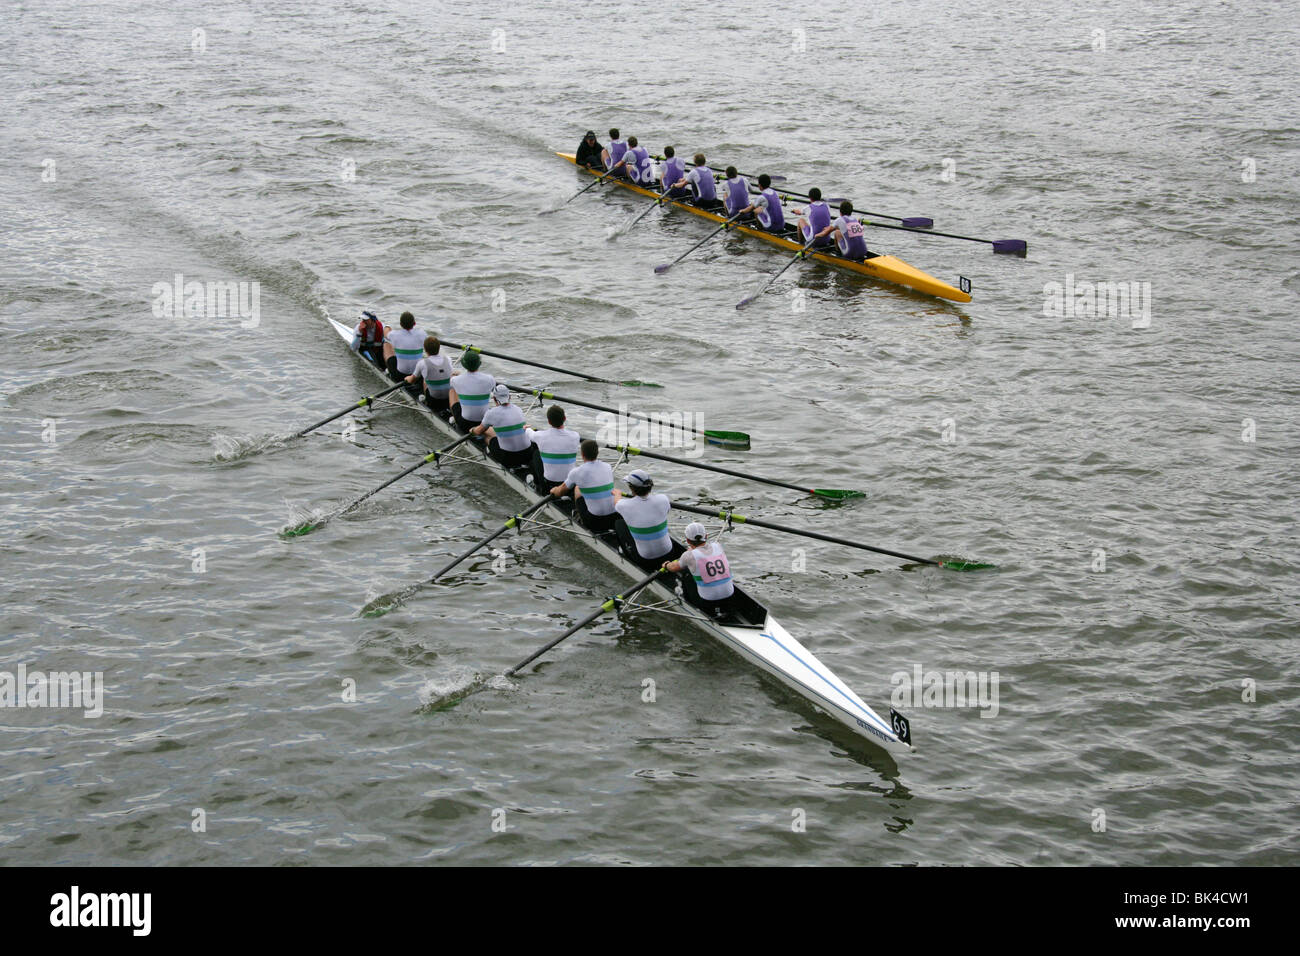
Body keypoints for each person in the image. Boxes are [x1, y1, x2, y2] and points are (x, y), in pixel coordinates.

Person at [664, 522, 735, 618]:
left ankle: (687, 602)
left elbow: (673, 568)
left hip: (707, 603)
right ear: (706, 536)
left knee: (686, 571)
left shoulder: (688, 556)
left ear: (688, 541)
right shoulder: (717, 546)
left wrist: (666, 565)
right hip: (729, 598)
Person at [550, 439, 617, 534]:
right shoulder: (608, 466)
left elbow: (560, 492)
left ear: (582, 454)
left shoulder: (576, 472)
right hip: (613, 518)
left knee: (577, 488)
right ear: (597, 453)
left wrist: (553, 491)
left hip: (594, 522)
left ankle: (579, 516)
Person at [612, 469, 673, 570]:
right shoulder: (663, 499)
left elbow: (616, 503)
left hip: (645, 559)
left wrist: (617, 494)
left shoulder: (624, 505)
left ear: (631, 488)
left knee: (619, 523)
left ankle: (624, 553)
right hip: (669, 554)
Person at [473, 384, 532, 467]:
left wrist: (472, 430)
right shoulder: (518, 409)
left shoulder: (491, 413)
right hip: (528, 454)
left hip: (508, 458)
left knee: (487, 436)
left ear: (494, 399)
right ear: (510, 397)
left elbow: (478, 432)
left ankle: (489, 451)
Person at [527, 405, 581, 490]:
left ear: (549, 421)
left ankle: (537, 484)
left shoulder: (540, 436)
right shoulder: (575, 436)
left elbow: (529, 434)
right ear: (564, 418)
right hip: (570, 483)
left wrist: (526, 428)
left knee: (536, 453)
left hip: (549, 483)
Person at [447, 350, 497, 432]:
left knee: (452, 389)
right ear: (479, 364)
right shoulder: (490, 379)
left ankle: (454, 418)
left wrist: (454, 375)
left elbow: (452, 381)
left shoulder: (455, 380)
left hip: (465, 423)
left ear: (464, 365)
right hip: (485, 422)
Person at [406, 335, 452, 412]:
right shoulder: (448, 359)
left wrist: (406, 378)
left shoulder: (422, 363)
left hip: (434, 400)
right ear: (439, 348)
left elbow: (411, 380)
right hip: (448, 398)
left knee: (424, 377)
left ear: (425, 350)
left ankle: (426, 401)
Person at [383, 311, 426, 384]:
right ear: (414, 323)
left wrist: (387, 326)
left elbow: (385, 333)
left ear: (400, 324)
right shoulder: (422, 334)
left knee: (386, 344)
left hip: (400, 375)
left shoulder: (394, 335)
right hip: (417, 375)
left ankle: (388, 371)